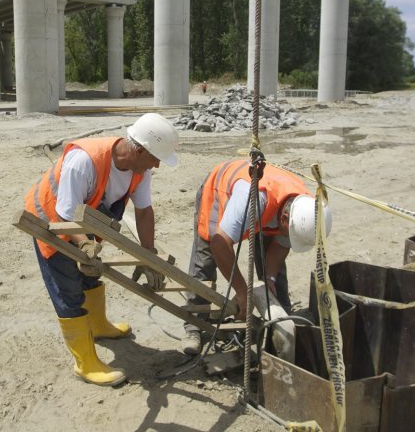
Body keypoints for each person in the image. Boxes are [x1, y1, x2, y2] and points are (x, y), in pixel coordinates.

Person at [25, 113, 179, 386]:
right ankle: (85, 363)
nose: (157, 165)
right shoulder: (84, 162)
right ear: (140, 150)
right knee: (68, 291)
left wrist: (148, 255)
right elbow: (65, 214)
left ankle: (97, 326)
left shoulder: (140, 171)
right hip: (50, 222)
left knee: (90, 274)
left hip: (86, 222)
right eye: (155, 158)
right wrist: (84, 245)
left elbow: (143, 212)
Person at [181, 158, 332, 356]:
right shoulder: (252, 200)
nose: (288, 237)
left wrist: (268, 278)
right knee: (206, 258)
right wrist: (243, 291)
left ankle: (279, 315)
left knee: (274, 267)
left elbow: (280, 245)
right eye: (289, 233)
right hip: (220, 190)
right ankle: (194, 326)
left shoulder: (304, 208)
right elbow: (220, 243)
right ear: (285, 219)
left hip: (269, 206)